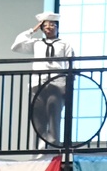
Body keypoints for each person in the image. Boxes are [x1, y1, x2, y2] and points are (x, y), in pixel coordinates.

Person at [11, 12, 76, 148]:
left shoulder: (64, 44)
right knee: (37, 117)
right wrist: (32, 30)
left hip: (56, 83)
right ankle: (38, 150)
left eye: (52, 25)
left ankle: (53, 147)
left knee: (53, 113)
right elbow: (16, 46)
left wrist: (69, 85)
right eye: (45, 26)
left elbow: (71, 64)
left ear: (57, 27)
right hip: (38, 83)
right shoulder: (37, 43)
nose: (49, 28)